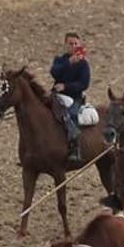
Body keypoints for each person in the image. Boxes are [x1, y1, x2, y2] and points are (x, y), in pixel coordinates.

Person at [50, 32, 91, 163]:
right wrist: (68, 63)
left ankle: (75, 148)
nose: (73, 46)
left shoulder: (83, 64)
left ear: (80, 45)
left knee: (72, 114)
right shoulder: (60, 60)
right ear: (65, 45)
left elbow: (84, 84)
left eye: (75, 44)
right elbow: (54, 72)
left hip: (74, 98)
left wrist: (66, 86)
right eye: (70, 43)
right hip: (57, 96)